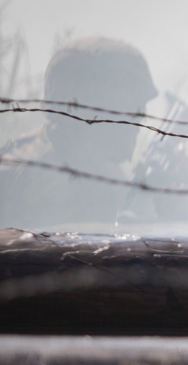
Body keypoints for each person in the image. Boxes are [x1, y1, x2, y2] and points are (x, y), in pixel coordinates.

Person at [0, 36, 157, 230]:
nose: (140, 118)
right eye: (128, 107)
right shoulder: (20, 178)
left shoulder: (102, 170)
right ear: (85, 108)